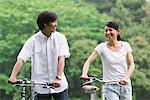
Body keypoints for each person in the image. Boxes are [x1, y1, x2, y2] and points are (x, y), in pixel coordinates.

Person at [8, 11, 70, 100]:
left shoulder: (60, 38)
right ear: (45, 24)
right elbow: (21, 59)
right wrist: (13, 76)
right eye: (53, 22)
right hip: (41, 86)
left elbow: (61, 58)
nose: (56, 24)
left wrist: (58, 78)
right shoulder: (32, 41)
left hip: (59, 85)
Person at [81, 21, 135, 100]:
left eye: (110, 30)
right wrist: (84, 73)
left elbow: (132, 65)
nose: (108, 32)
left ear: (118, 31)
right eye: (106, 30)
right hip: (109, 86)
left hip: (125, 85)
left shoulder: (125, 45)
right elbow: (88, 61)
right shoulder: (101, 47)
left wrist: (125, 78)